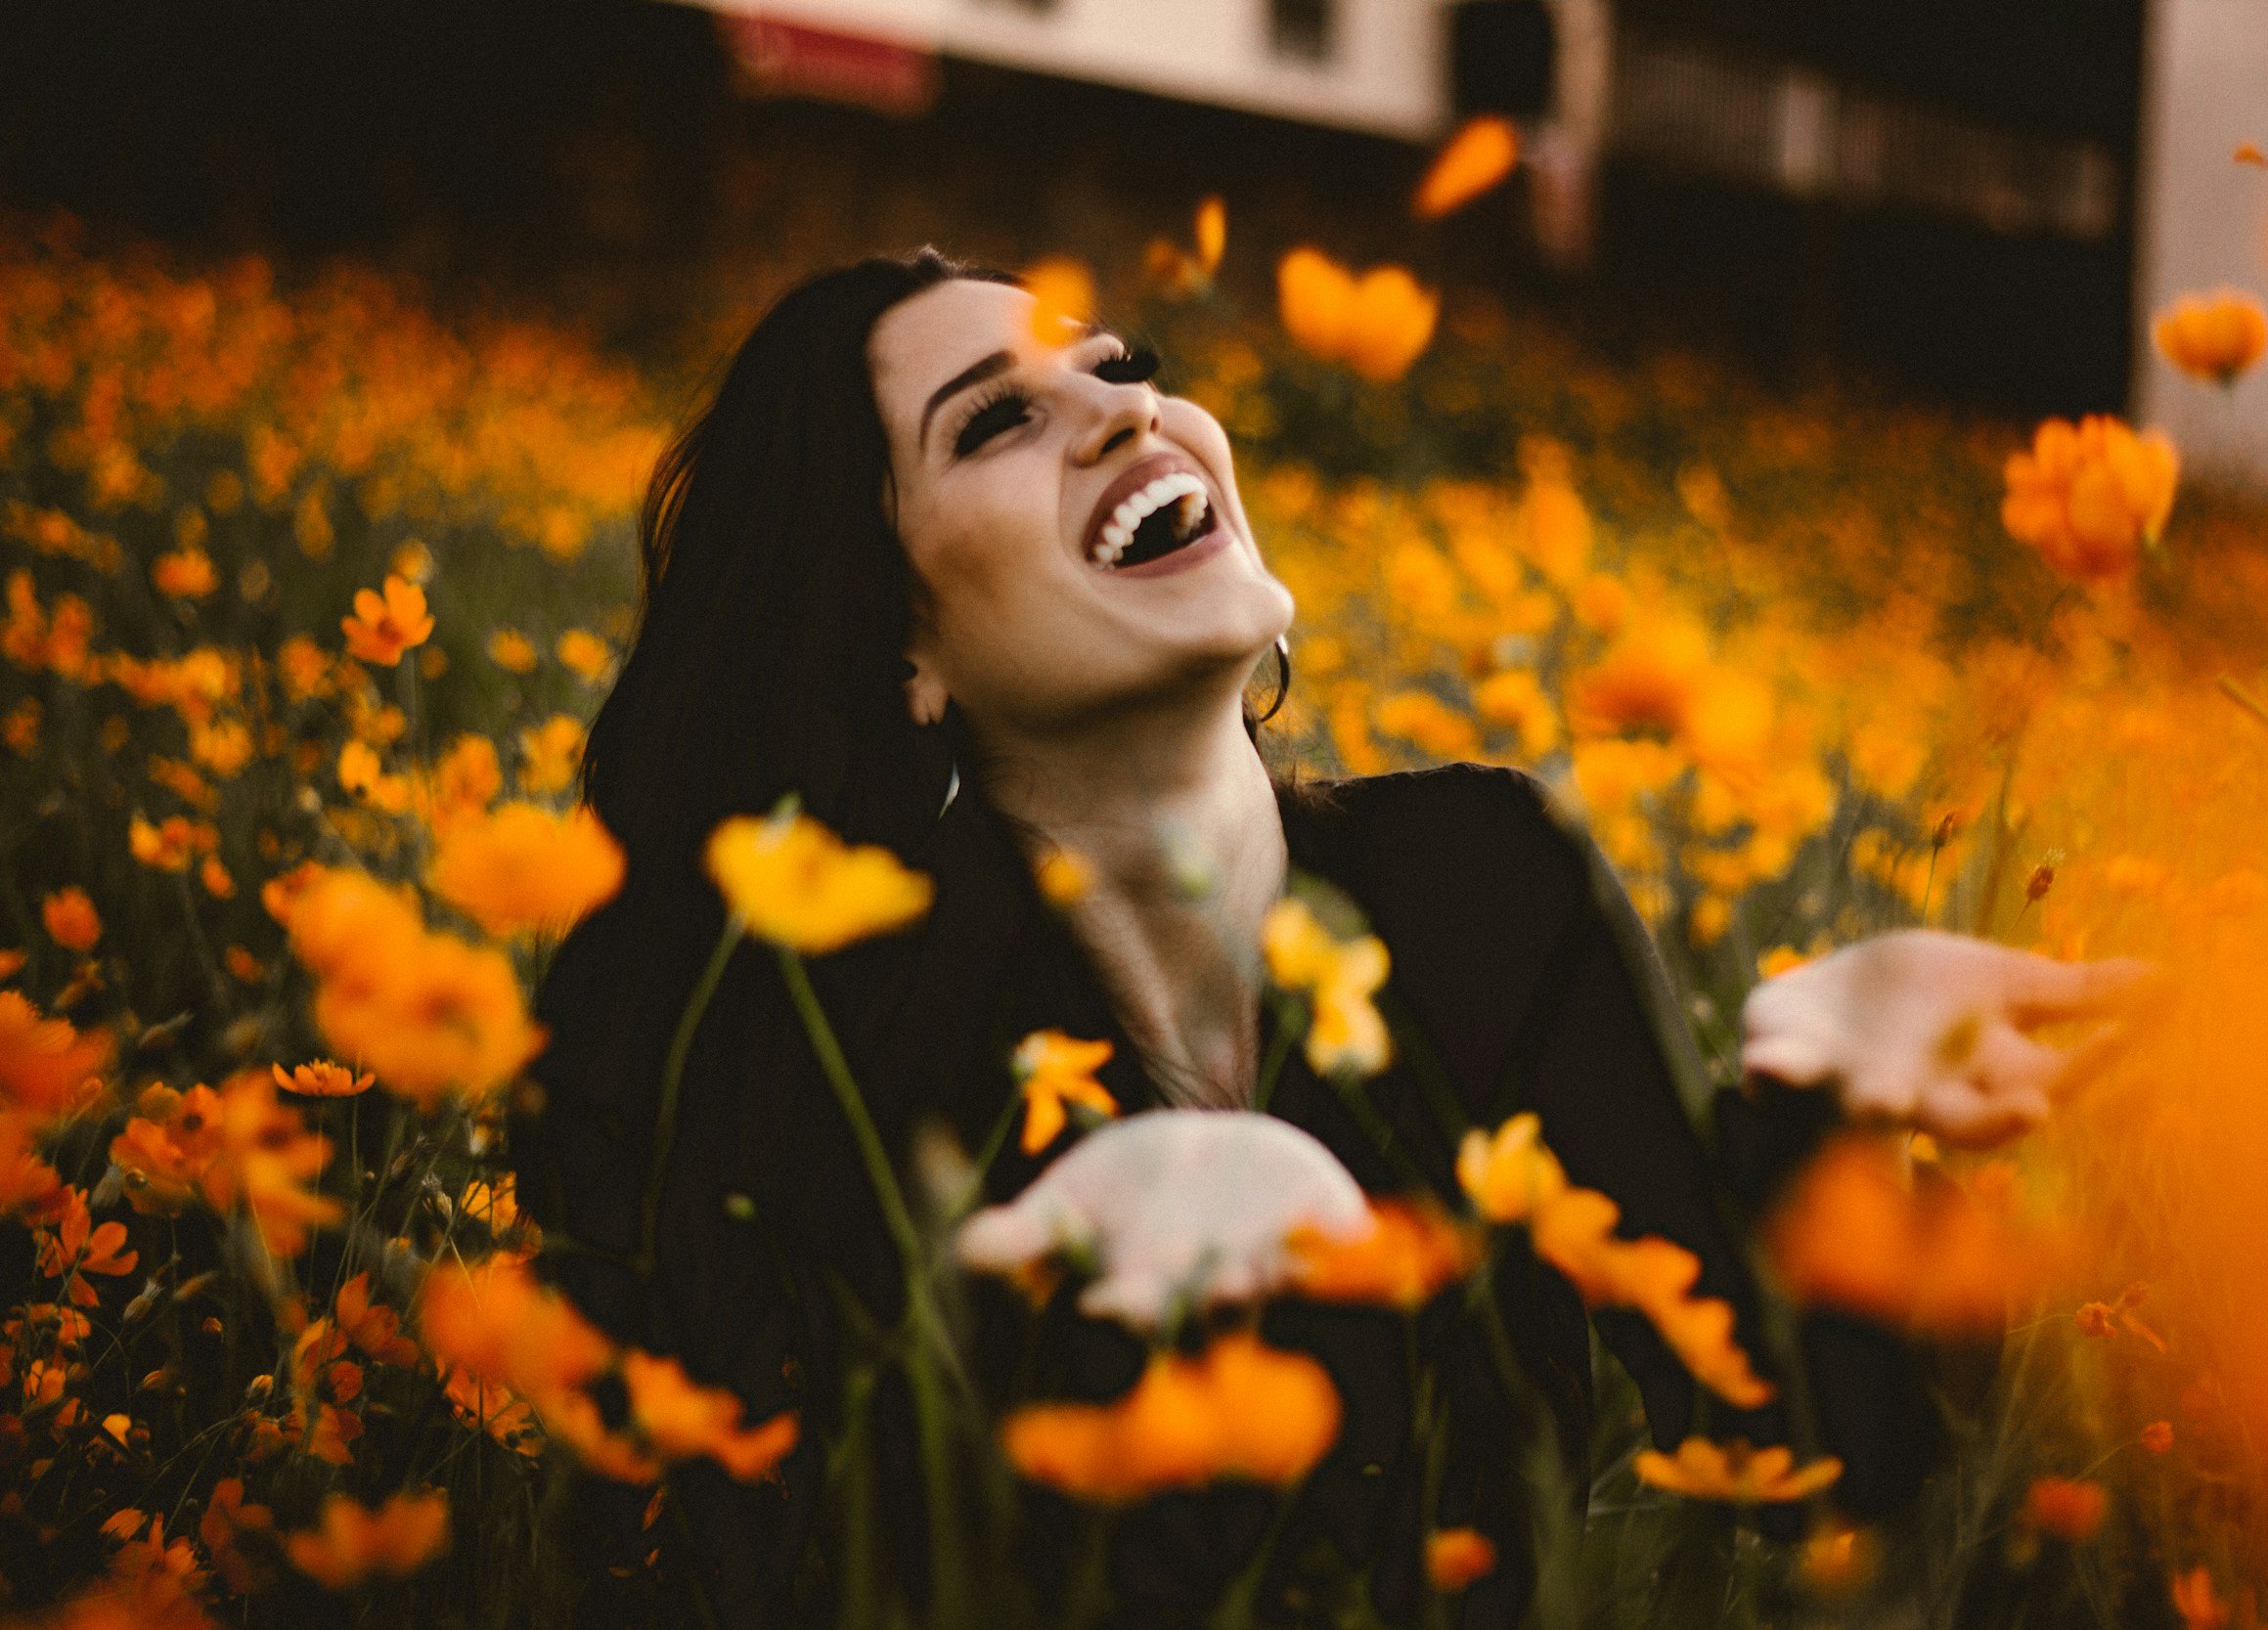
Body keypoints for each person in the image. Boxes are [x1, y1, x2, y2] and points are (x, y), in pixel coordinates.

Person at [513, 249, 2140, 1627]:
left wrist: (1819, 1111)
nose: (1129, 410)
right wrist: (1034, 1339)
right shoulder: (868, 1079)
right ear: (903, 652)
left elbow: (1815, 1470)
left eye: (1120, 368)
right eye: (1002, 419)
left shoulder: (1490, 882)